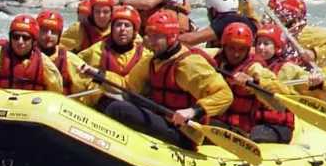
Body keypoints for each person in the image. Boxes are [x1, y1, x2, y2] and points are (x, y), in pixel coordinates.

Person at [97, 11, 230, 148]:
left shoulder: (189, 64)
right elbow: (126, 86)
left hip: (184, 132)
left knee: (119, 109)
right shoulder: (152, 61)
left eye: (156, 37)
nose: (151, 42)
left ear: (171, 37)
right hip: (164, 121)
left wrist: (192, 111)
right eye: (150, 36)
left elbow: (224, 94)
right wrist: (98, 74)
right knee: (105, 101)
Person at [212, 22, 295, 144]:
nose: (236, 54)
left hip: (241, 130)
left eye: (241, 50)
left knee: (258, 134)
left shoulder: (255, 68)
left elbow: (281, 100)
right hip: (221, 123)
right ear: (224, 46)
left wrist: (254, 82)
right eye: (231, 48)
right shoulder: (214, 59)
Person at [77, 5, 148, 105]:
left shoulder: (145, 55)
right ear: (112, 29)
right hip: (101, 103)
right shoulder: (97, 50)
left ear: (134, 32)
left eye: (127, 25)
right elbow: (75, 63)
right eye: (118, 25)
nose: (122, 29)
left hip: (132, 105)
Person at [268, 0, 326, 68]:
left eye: (276, 13)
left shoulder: (306, 32)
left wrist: (315, 53)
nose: (270, 17)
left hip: (308, 74)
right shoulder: (268, 31)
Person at [181, 0, 258, 48]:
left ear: (213, 11)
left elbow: (190, 40)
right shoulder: (249, 20)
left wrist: (170, 38)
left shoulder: (224, 23)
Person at [36, 10, 86, 94]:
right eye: (44, 30)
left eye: (53, 32)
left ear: (59, 35)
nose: (49, 36)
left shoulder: (70, 60)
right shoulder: (23, 55)